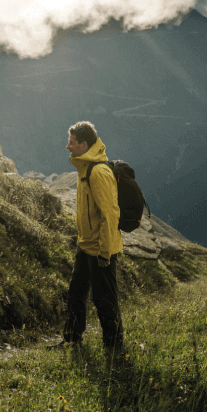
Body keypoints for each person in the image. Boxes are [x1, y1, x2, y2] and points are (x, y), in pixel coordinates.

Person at [51, 121, 124, 356]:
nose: (67, 146)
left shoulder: (98, 171)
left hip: (101, 249)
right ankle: (72, 338)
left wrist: (104, 251)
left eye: (72, 142)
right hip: (86, 245)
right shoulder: (85, 167)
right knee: (76, 293)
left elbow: (109, 213)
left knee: (104, 300)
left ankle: (114, 348)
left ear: (83, 145)